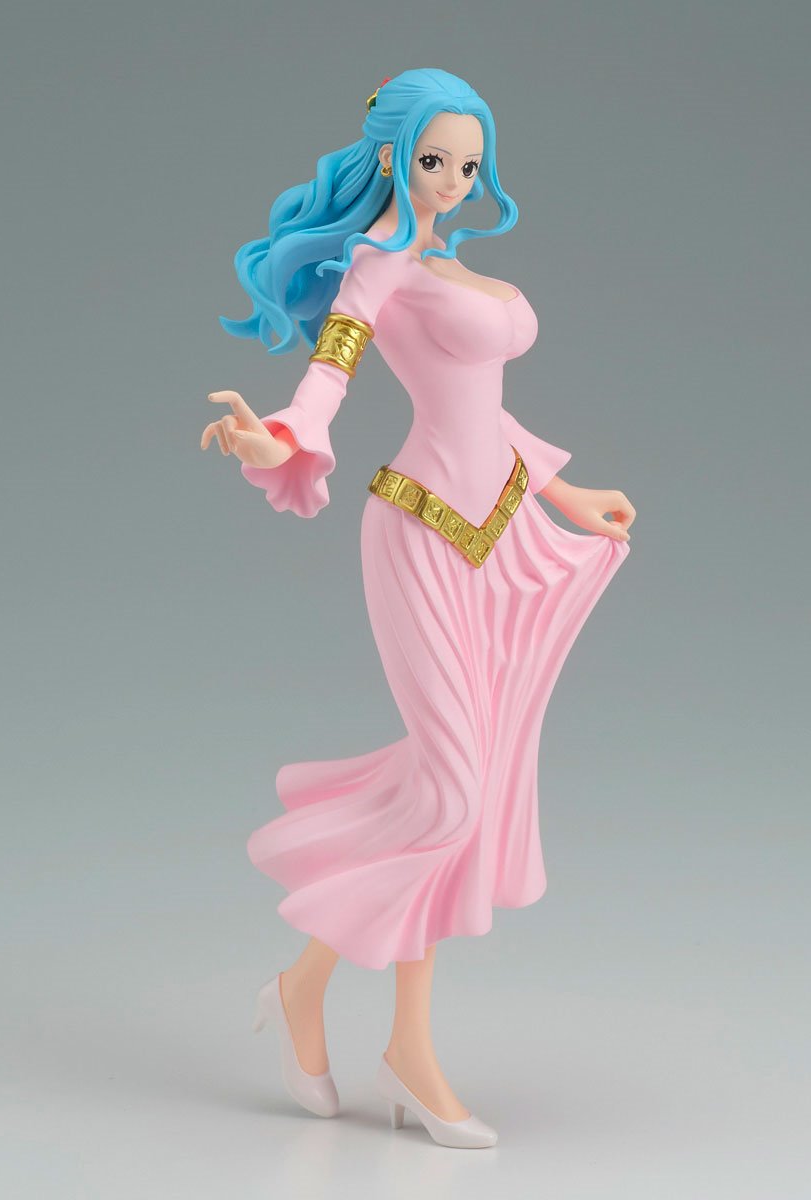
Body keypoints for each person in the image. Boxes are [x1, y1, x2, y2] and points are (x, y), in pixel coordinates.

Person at [203, 68, 635, 1148]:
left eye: (469, 164)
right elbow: (331, 374)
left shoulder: (449, 266)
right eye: (435, 160)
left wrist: (567, 491)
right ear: (395, 156)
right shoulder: (379, 268)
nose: (453, 180)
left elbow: (484, 411)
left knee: (465, 797)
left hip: (502, 534)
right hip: (420, 536)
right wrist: (278, 438)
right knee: (449, 794)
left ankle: (357, 1019)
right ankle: (363, 1024)